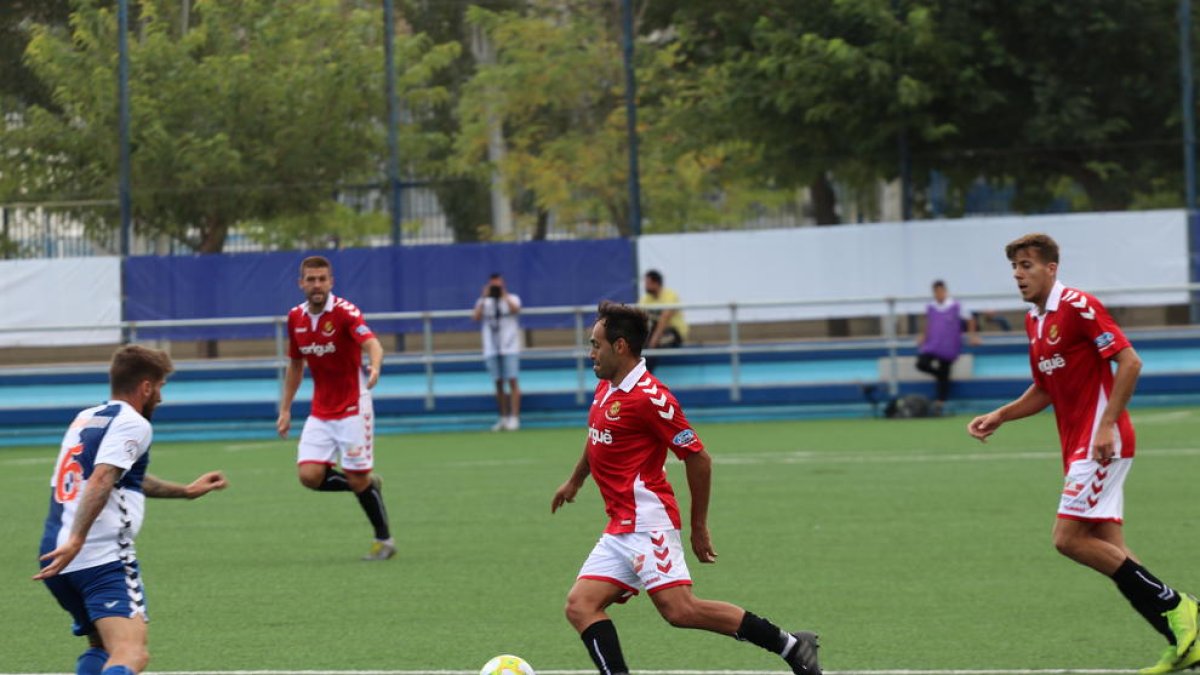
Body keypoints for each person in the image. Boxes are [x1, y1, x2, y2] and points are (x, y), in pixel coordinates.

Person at [967, 233, 1199, 674]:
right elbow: (1044, 388)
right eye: (1014, 267)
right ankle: (1183, 640)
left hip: (1101, 444)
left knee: (1068, 539)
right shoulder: (1034, 322)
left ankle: (1180, 606)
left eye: (1027, 265)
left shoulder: (1076, 305)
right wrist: (1002, 414)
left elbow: (1130, 362)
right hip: (1079, 447)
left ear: (1051, 268)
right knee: (1113, 551)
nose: (1018, 274)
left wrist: (1107, 423)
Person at [551, 301, 821, 675]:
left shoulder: (651, 398)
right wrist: (576, 480)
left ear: (621, 347)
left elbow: (698, 458)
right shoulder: (606, 386)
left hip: (649, 524)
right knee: (580, 605)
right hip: (619, 527)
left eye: (596, 344)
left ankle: (792, 646)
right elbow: (597, 437)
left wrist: (698, 526)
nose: (590, 352)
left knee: (680, 611)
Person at [34, 345, 228, 675]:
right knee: (131, 653)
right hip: (99, 556)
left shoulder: (86, 418)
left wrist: (186, 491)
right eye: (161, 388)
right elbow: (102, 478)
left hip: (55, 553)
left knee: (101, 645)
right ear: (146, 387)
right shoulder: (133, 422)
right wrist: (80, 539)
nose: (162, 399)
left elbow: (120, 476)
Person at [276, 255, 394, 560]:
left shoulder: (344, 312)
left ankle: (385, 540)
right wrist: (285, 409)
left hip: (354, 407)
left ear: (331, 282)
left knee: (356, 478)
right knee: (309, 476)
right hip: (321, 410)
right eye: (311, 279)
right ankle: (367, 484)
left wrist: (376, 366)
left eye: (322, 279)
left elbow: (372, 343)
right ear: (301, 283)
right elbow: (296, 365)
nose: (317, 285)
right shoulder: (295, 318)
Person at [915, 279, 980, 413]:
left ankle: (940, 403)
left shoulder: (955, 305)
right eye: (936, 292)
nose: (938, 294)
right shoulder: (931, 307)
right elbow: (929, 323)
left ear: (944, 291)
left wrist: (972, 336)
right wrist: (923, 337)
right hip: (933, 343)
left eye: (940, 291)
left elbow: (970, 319)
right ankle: (939, 376)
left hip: (949, 344)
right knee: (922, 364)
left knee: (945, 370)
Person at [472, 273, 522, 431]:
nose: (495, 288)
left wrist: (503, 295)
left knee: (512, 381)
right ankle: (503, 417)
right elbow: (476, 317)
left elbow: (516, 309)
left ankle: (514, 417)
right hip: (491, 348)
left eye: (498, 285)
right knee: (498, 383)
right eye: (493, 285)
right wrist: (484, 297)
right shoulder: (483, 301)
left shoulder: (512, 298)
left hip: (509, 347)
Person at [640, 270, 688, 372]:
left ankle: (645, 377)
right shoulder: (646, 298)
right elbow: (639, 317)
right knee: (641, 344)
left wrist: (652, 342)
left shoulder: (670, 295)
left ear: (656, 283)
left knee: (654, 346)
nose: (645, 286)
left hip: (674, 333)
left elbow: (664, 320)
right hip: (655, 332)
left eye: (647, 283)